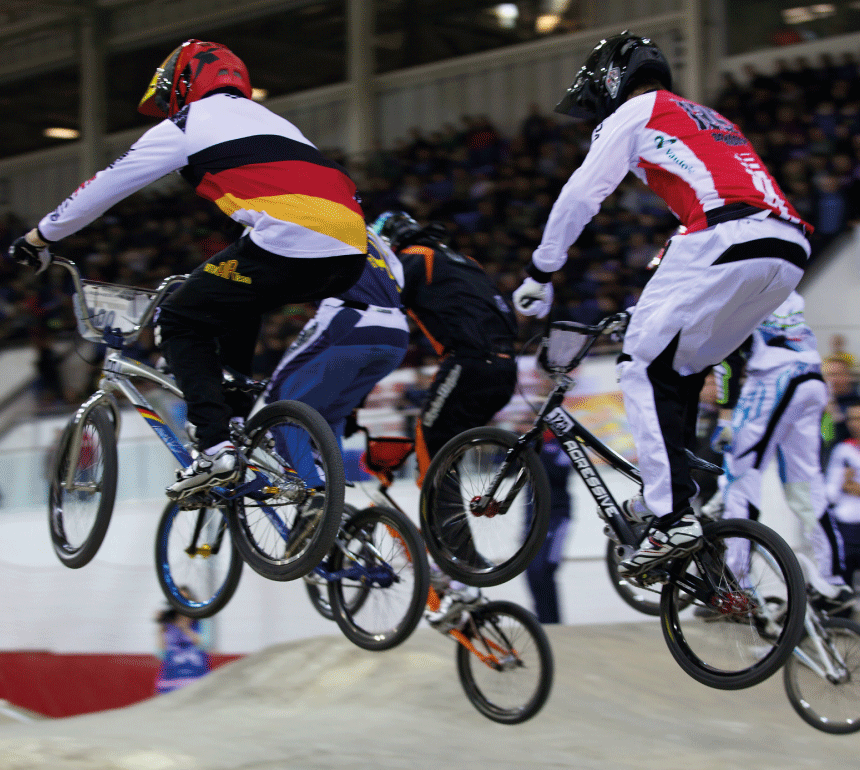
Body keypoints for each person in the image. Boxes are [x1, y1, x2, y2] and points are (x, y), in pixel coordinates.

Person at [8, 39, 367, 500]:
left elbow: (105, 186)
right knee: (238, 296)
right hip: (349, 250)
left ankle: (214, 445)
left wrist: (41, 237)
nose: (163, 109)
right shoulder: (276, 122)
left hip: (293, 242)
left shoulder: (189, 122)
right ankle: (236, 419)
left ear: (181, 84)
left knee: (178, 317)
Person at [512, 32, 811, 577]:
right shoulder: (707, 116)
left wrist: (541, 269)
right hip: (787, 250)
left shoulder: (636, 110)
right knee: (680, 367)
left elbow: (582, 194)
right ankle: (674, 493)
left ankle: (671, 511)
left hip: (726, 238)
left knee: (640, 366)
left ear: (611, 82)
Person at [371, 210, 519, 624]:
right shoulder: (459, 259)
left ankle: (454, 560)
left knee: (429, 453)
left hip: (469, 363)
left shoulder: (415, 257)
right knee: (445, 455)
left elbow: (378, 298)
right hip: (505, 369)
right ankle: (462, 556)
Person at [710, 291, 854, 612]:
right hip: (812, 378)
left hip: (772, 379)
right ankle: (833, 583)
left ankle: (737, 582)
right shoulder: (783, 280)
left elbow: (726, 357)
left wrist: (724, 414)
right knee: (806, 485)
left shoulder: (734, 284)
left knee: (739, 475)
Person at [263, 228, 409, 456]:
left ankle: (306, 484)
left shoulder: (313, 217)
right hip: (397, 330)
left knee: (282, 402)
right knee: (331, 413)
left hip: (351, 318)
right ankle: (332, 485)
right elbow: (399, 283)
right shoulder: (372, 235)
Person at [524, 427, 574, 624]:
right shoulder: (531, 442)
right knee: (531, 570)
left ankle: (552, 621)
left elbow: (559, 472)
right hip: (532, 518)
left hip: (557, 517)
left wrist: (536, 452)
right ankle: (544, 620)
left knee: (544, 569)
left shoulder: (564, 443)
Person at [825, 403, 860, 593]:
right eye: (852, 418)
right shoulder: (842, 451)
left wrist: (854, 487)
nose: (856, 424)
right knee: (843, 587)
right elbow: (830, 494)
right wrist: (842, 483)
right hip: (847, 528)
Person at [154, 590, 210, 695]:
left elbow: (206, 645)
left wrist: (185, 628)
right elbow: (161, 654)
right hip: (170, 684)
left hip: (197, 683)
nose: (181, 609)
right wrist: (160, 628)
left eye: (184, 603)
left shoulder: (201, 622)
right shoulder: (168, 624)